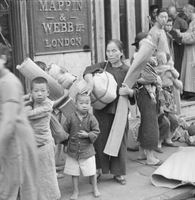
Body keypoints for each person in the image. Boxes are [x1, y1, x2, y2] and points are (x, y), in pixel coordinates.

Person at [0, 42, 38, 199]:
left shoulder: (8, 82)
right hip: (7, 146)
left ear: (3, 58)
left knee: (9, 192)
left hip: (15, 145)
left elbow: (8, 121)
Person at [80, 39, 135, 185]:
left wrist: (129, 91)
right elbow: (86, 71)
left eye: (114, 51)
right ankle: (98, 169)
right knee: (99, 140)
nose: (110, 54)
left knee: (119, 141)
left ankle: (118, 173)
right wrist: (90, 81)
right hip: (102, 110)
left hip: (120, 110)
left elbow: (137, 90)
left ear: (121, 53)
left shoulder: (127, 70)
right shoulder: (102, 66)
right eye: (108, 51)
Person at [24, 77, 61, 200]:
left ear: (48, 92)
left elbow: (28, 114)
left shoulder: (47, 105)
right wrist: (28, 99)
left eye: (43, 90)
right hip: (30, 145)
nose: (39, 94)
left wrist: (28, 102)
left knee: (47, 176)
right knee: (31, 175)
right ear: (31, 92)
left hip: (44, 146)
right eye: (36, 91)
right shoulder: (31, 101)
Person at [132, 32, 163, 166]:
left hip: (150, 92)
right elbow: (136, 77)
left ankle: (141, 152)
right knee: (151, 123)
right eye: (147, 42)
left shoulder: (147, 58)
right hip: (145, 93)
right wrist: (154, 79)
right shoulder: (138, 58)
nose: (150, 44)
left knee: (146, 122)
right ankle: (150, 156)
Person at [63, 92, 101, 200]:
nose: (84, 105)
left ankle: (95, 188)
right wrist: (65, 144)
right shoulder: (71, 117)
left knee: (92, 171)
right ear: (75, 104)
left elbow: (97, 131)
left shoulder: (91, 118)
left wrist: (88, 135)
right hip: (73, 150)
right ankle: (75, 191)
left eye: (87, 103)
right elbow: (65, 131)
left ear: (90, 104)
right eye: (81, 103)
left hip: (87, 151)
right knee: (74, 172)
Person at [175, 4, 195, 99]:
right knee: (190, 71)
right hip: (191, 50)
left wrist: (181, 35)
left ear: (190, 11)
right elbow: (190, 34)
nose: (185, 15)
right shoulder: (193, 22)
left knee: (193, 71)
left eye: (185, 12)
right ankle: (189, 91)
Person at [168, 6, 188, 74]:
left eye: (171, 15)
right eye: (169, 15)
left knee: (178, 63)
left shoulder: (182, 22)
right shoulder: (167, 21)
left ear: (176, 13)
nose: (170, 17)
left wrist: (178, 35)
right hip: (170, 45)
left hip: (179, 46)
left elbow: (187, 33)